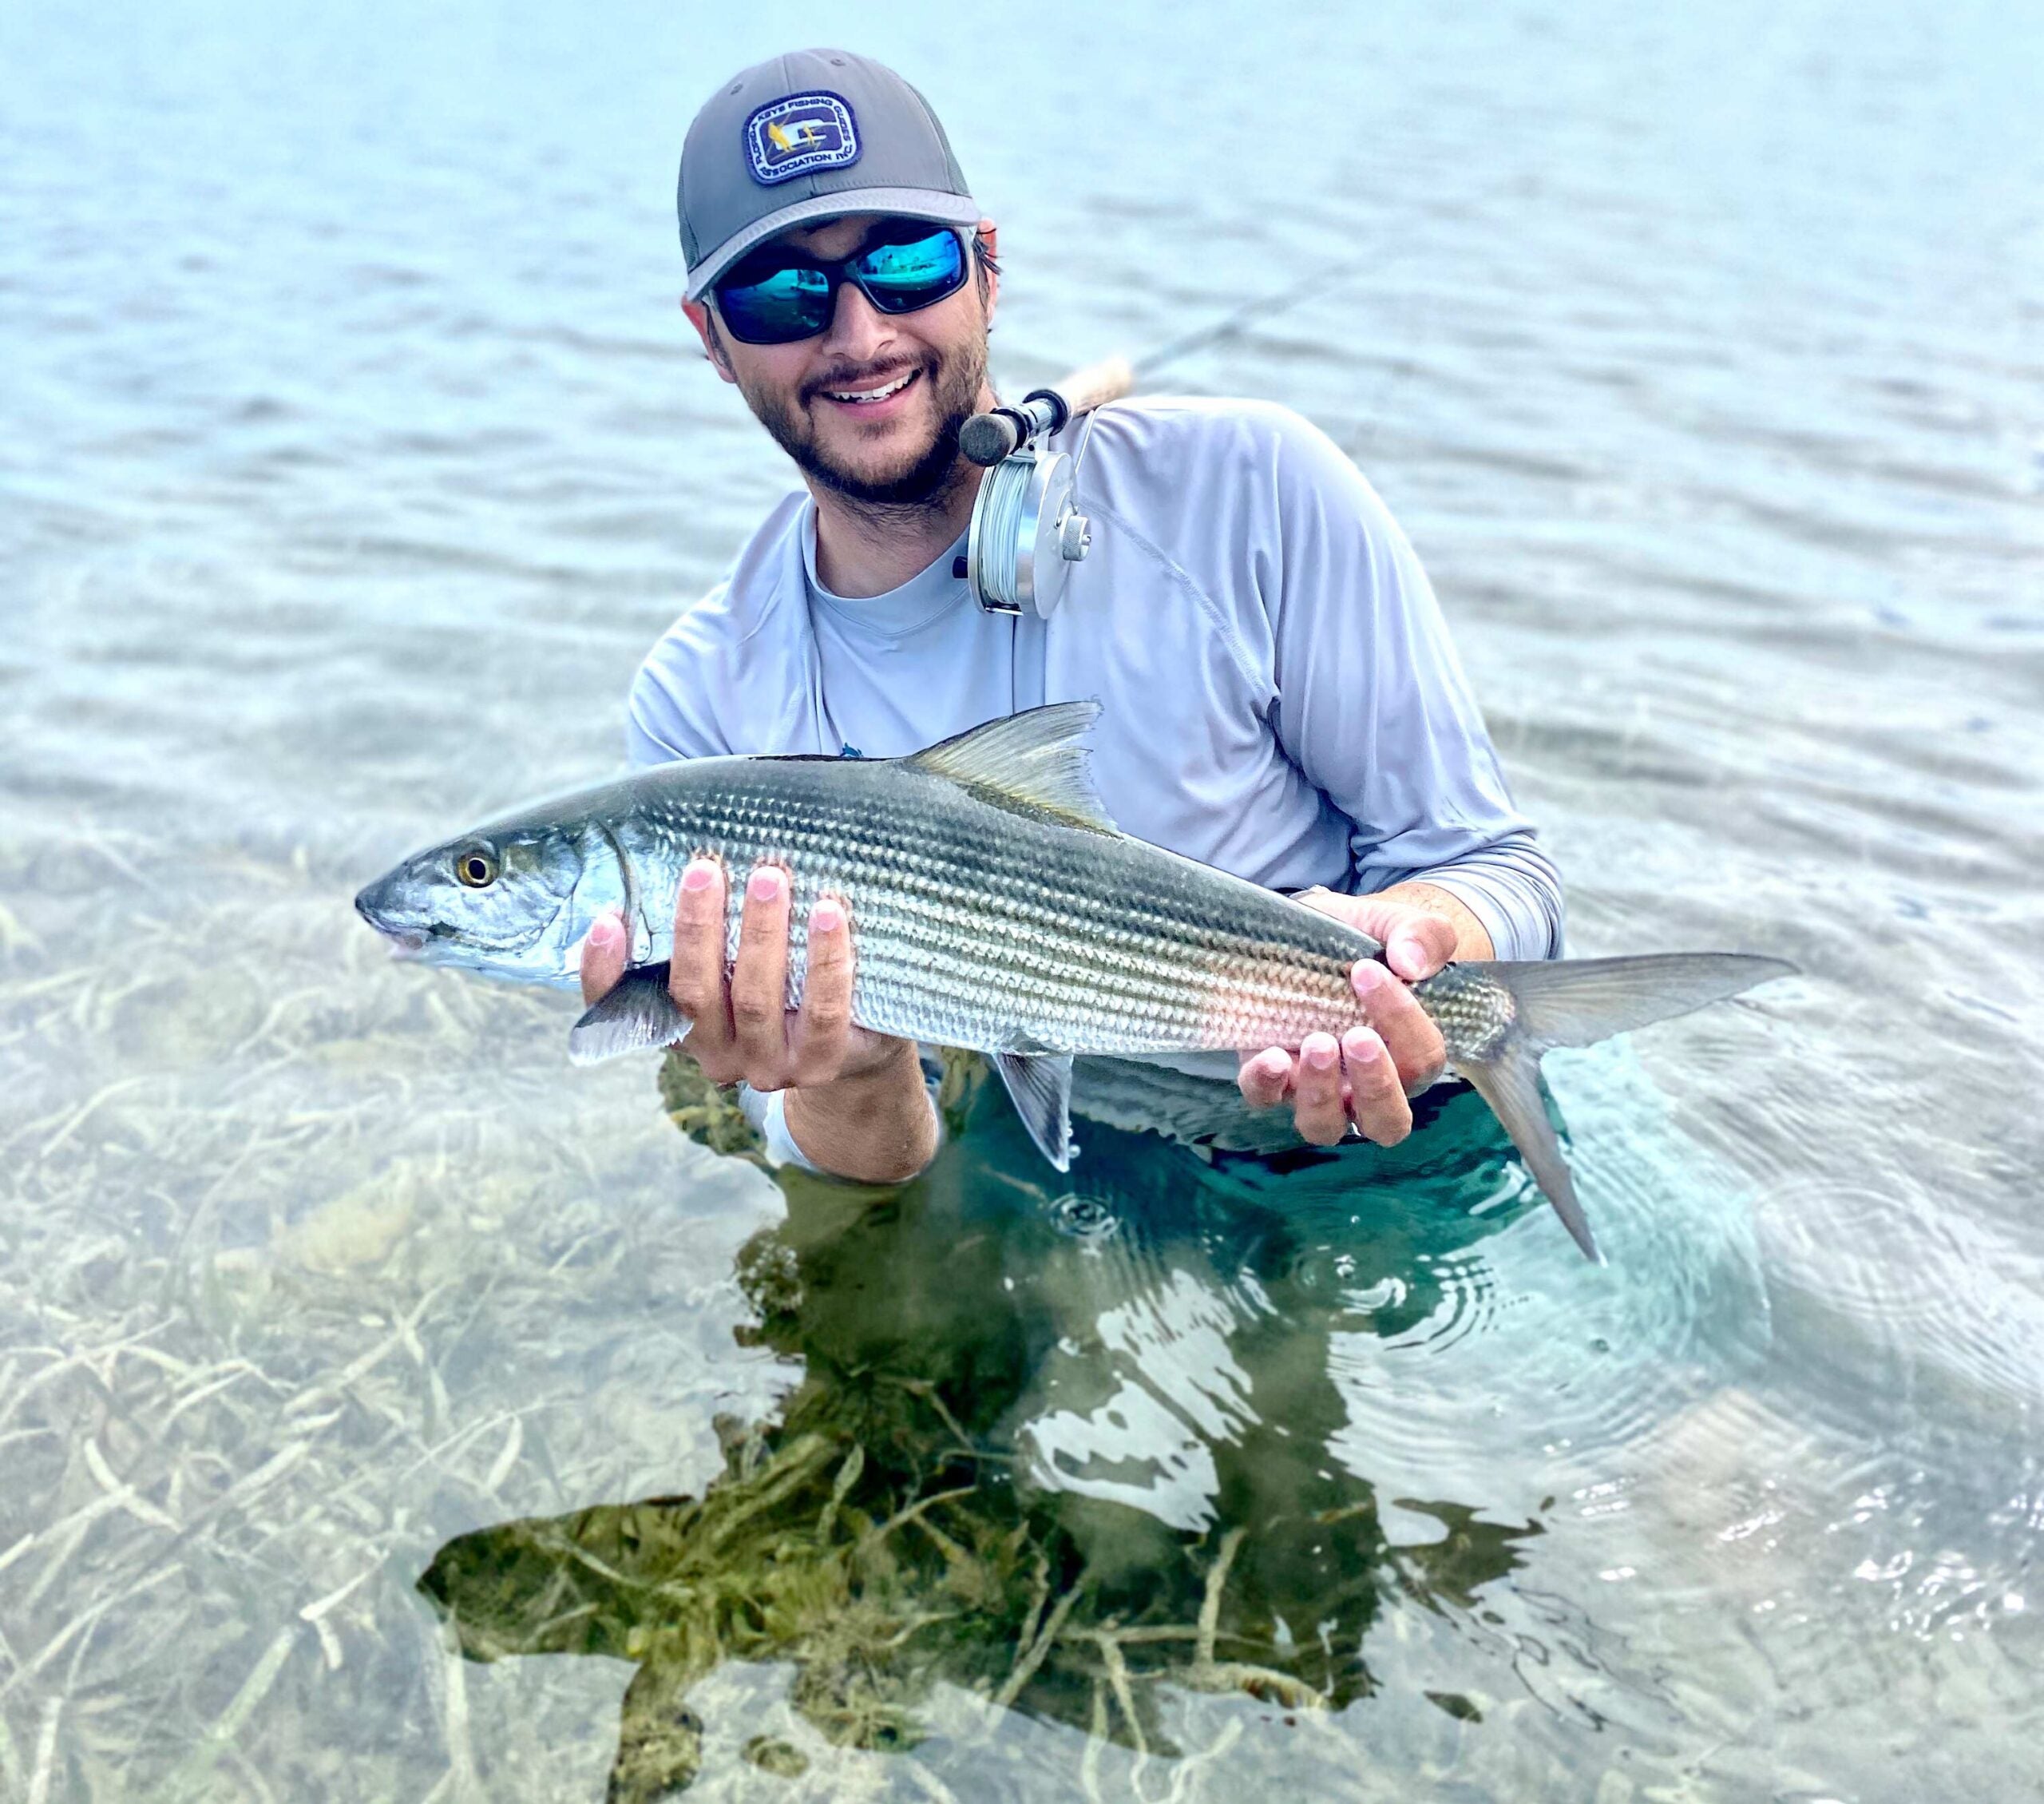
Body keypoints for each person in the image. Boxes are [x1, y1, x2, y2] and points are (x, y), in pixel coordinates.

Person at [581, 49, 1563, 1184]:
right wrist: (851, 1076)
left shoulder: (1253, 485)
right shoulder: (703, 701)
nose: (859, 335)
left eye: (906, 263)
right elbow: (855, 1176)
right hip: (1046, 1148)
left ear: (987, 270)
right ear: (711, 339)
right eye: (781, 294)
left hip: (1399, 1134)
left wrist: (1430, 936)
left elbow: (1502, 872)